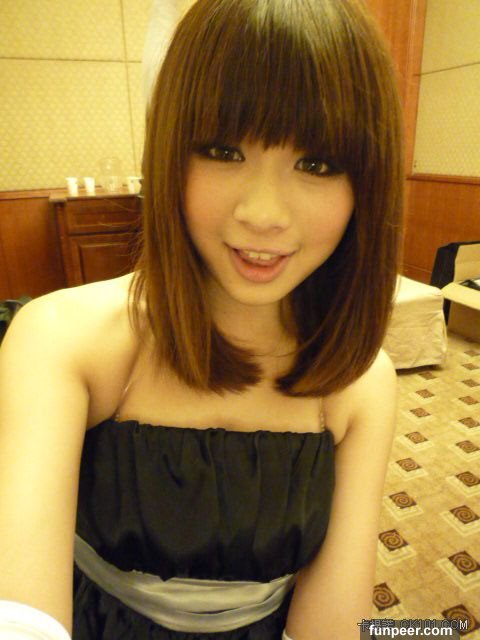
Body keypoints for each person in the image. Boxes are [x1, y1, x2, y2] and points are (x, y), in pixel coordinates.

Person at [0, 0, 404, 638]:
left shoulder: (362, 383)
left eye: (317, 164)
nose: (264, 214)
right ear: (171, 154)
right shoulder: (60, 341)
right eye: (223, 149)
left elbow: (333, 619)